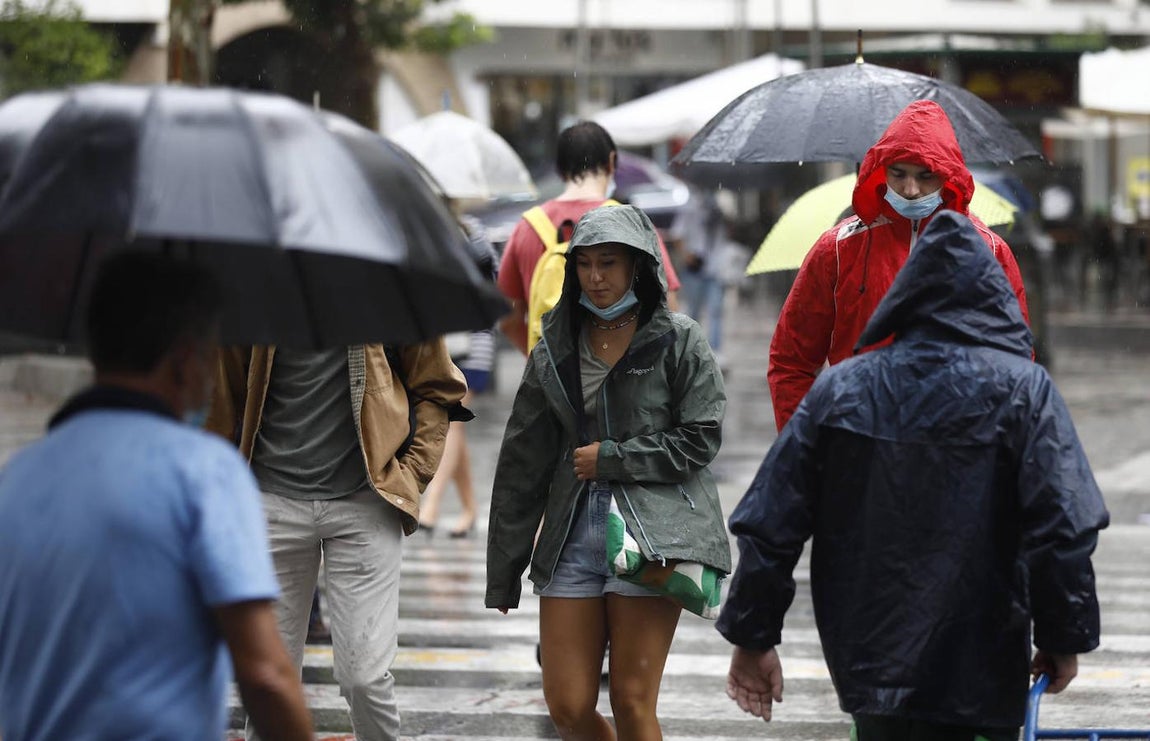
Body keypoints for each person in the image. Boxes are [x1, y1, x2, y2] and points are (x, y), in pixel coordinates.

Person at [719, 211, 1109, 740]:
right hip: (986, 657)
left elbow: (772, 521)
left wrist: (753, 635)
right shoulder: (1025, 392)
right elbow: (1064, 525)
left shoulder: (841, 391)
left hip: (871, 657)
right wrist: (1064, 636)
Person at [0, 252, 313, 741]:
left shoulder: (16, 479)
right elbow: (266, 675)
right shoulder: (203, 471)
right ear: (185, 361)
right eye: (211, 355)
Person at [486, 205, 731, 739]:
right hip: (571, 533)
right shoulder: (554, 343)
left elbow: (702, 436)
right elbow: (522, 462)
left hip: (651, 534)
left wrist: (615, 458)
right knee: (568, 706)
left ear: (638, 267)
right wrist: (504, 569)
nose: (596, 278)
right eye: (586, 265)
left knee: (631, 700)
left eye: (610, 264)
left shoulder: (679, 338)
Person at [207, 319, 468, 738]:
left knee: (365, 677)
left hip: (367, 499)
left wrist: (412, 475)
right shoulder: (257, 291)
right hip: (270, 500)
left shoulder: (385, 285)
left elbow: (437, 387)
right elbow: (222, 398)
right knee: (268, 679)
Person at [768, 100, 1031, 432]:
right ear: (881, 170)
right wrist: (805, 444)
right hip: (858, 445)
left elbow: (1014, 362)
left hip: (952, 450)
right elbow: (791, 360)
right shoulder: (836, 249)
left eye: (925, 176)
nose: (910, 190)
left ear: (949, 177)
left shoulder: (988, 252)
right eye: (899, 173)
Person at [497, 120, 681, 355]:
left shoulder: (527, 228)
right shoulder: (634, 225)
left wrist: (542, 364)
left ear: (560, 169)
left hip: (550, 388)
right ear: (612, 162)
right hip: (622, 382)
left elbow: (508, 320)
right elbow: (669, 311)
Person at [419, 212, 499, 538]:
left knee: (450, 419)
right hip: (439, 338)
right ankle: (469, 509)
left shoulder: (471, 229)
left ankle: (432, 506)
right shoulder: (424, 224)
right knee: (455, 425)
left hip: (472, 338)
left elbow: (491, 280)